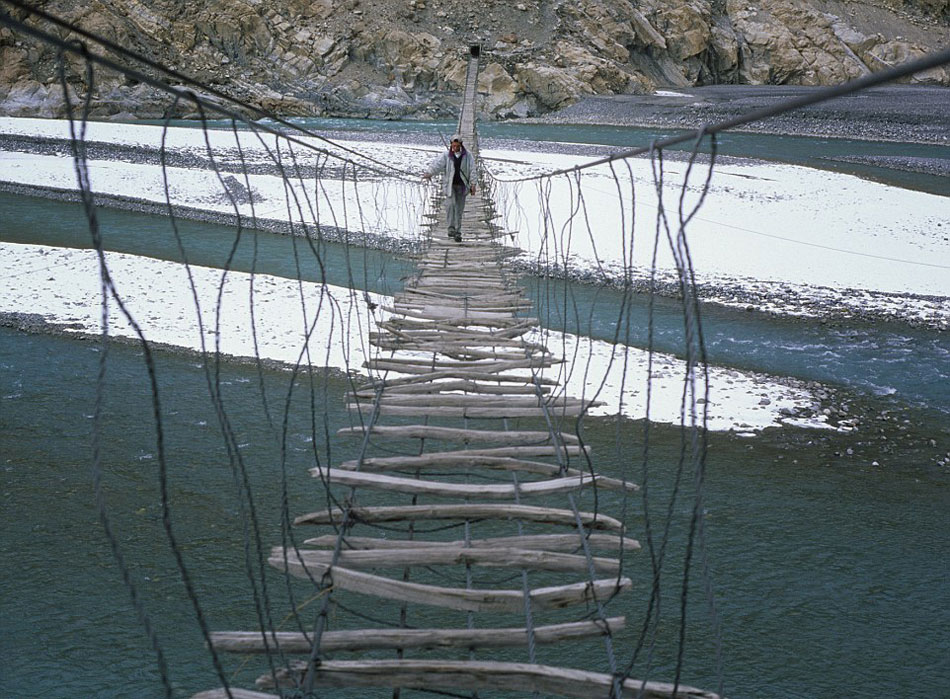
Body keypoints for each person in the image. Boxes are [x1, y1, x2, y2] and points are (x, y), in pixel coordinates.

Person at [423, 136, 476, 241]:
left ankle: (458, 231)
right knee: (450, 206)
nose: (455, 148)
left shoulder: (468, 156)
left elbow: (472, 169)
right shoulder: (446, 155)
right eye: (453, 146)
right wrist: (429, 173)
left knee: (459, 209)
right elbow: (437, 164)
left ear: (461, 145)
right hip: (450, 186)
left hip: (462, 186)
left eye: (457, 146)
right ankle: (450, 228)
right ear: (451, 144)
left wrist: (473, 184)